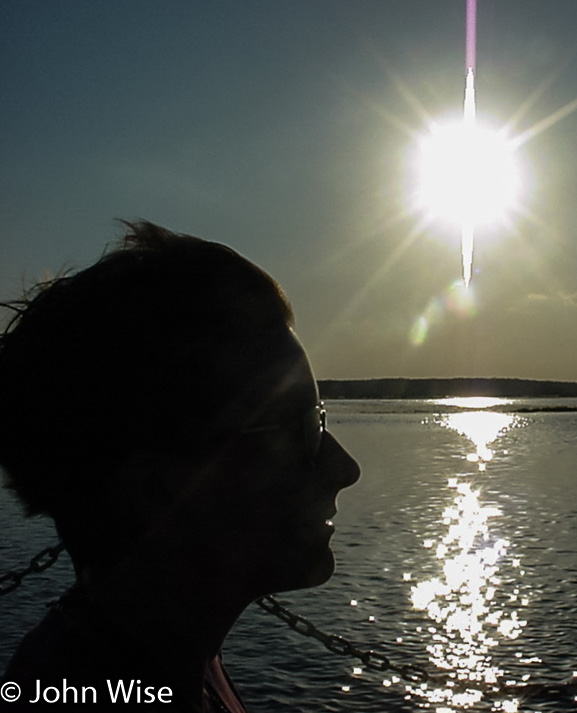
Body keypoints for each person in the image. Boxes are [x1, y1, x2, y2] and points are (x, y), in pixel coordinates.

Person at [0, 222, 360, 711]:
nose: (345, 467)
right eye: (299, 432)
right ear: (154, 488)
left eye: (318, 420)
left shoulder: (151, 657)